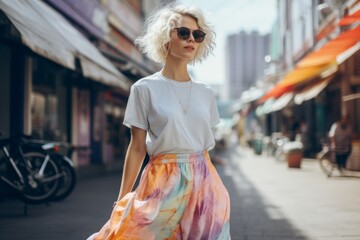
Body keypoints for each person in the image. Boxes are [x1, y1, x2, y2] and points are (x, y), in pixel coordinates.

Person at [87, 4, 231, 240]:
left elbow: (203, 143)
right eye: (183, 33)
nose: (191, 39)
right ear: (166, 37)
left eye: (198, 35)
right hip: (162, 179)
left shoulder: (206, 93)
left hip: (204, 180)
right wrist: (122, 199)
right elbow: (136, 148)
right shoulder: (144, 88)